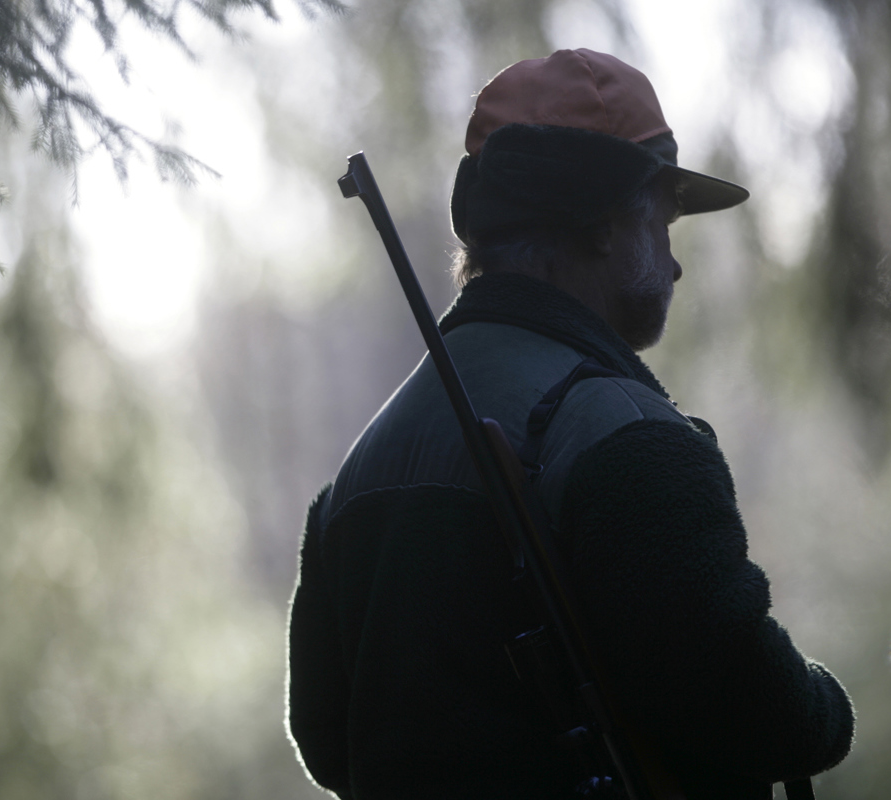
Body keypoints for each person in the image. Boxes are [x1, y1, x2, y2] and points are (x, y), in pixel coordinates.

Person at [286, 49, 854, 800]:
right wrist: (826, 704)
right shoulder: (628, 438)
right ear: (602, 222)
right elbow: (755, 711)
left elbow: (330, 741)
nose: (674, 264)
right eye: (663, 220)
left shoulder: (360, 470)